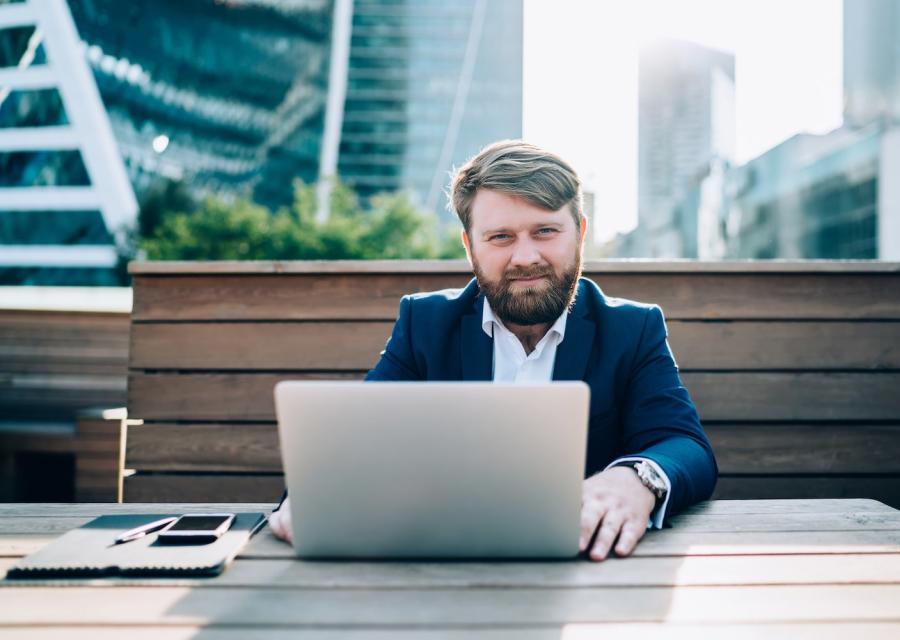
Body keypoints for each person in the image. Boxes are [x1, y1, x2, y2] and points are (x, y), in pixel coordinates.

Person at [270, 140, 718, 561]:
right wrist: (312, 496)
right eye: (500, 237)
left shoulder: (632, 328)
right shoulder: (423, 324)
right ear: (469, 246)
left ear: (580, 233)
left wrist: (635, 479)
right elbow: (353, 440)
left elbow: (685, 445)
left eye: (545, 231)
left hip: (590, 569)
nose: (525, 257)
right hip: (440, 566)